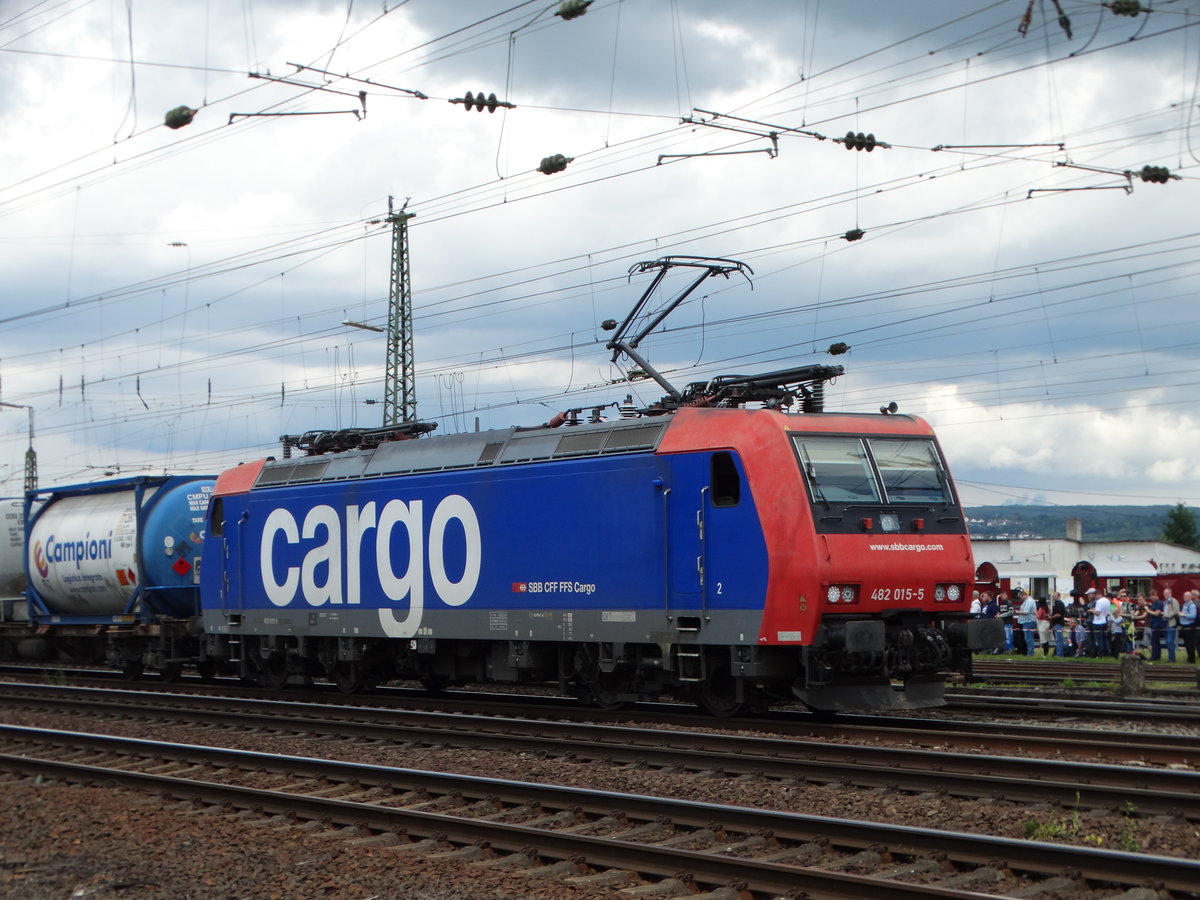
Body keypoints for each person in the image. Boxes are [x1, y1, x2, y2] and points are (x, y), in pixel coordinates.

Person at [1089, 588, 1111, 658]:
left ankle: (1100, 654)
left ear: (1098, 594)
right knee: (1105, 639)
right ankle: (1107, 653)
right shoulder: (1107, 600)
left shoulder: (1099, 601)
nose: (1095, 598)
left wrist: (1092, 610)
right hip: (1104, 620)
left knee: (1099, 640)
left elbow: (1098, 613)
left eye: (1095, 596)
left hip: (1098, 622)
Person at [1147, 590, 1169, 661]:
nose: (1151, 597)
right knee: (1155, 641)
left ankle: (1155, 656)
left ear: (1156, 596)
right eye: (1150, 596)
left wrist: (1148, 610)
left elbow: (1157, 613)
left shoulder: (1159, 603)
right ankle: (1157, 656)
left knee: (1154, 641)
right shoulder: (1153, 604)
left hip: (1157, 624)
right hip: (1153, 624)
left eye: (1152, 595)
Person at [1016, 590, 1037, 657]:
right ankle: (1029, 652)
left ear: (1024, 595)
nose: (1021, 599)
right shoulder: (1027, 601)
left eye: (1021, 597)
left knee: (1028, 638)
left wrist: (1017, 612)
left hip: (1028, 621)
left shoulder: (1029, 601)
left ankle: (1030, 653)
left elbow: (1026, 612)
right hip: (1026, 621)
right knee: (1027, 638)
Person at [1179, 590, 1198, 664]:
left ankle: (1192, 659)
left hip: (1189, 627)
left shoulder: (1192, 605)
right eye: (1184, 596)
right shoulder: (1185, 604)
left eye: (1186, 596)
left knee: (1190, 644)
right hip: (1184, 626)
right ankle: (1189, 658)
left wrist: (1183, 615)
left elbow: (1193, 616)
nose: (1184, 597)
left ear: (1190, 597)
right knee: (1186, 644)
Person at [1163, 588, 1180, 664]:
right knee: (1167, 641)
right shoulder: (1165, 602)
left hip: (1171, 623)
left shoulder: (1174, 601)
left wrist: (1167, 615)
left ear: (1170, 594)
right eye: (1164, 593)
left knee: (1170, 641)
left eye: (1167, 593)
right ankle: (1170, 657)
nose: (1165, 595)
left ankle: (1172, 658)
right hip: (1166, 623)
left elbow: (1176, 610)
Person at [1050, 592, 1068, 657]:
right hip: (1057, 623)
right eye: (1053, 596)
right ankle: (1059, 653)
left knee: (1059, 640)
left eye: (1055, 595)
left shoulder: (1059, 603)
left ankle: (1059, 654)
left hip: (1058, 623)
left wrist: (1051, 617)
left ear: (1059, 596)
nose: (1054, 597)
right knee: (1059, 639)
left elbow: (1059, 614)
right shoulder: (1057, 603)